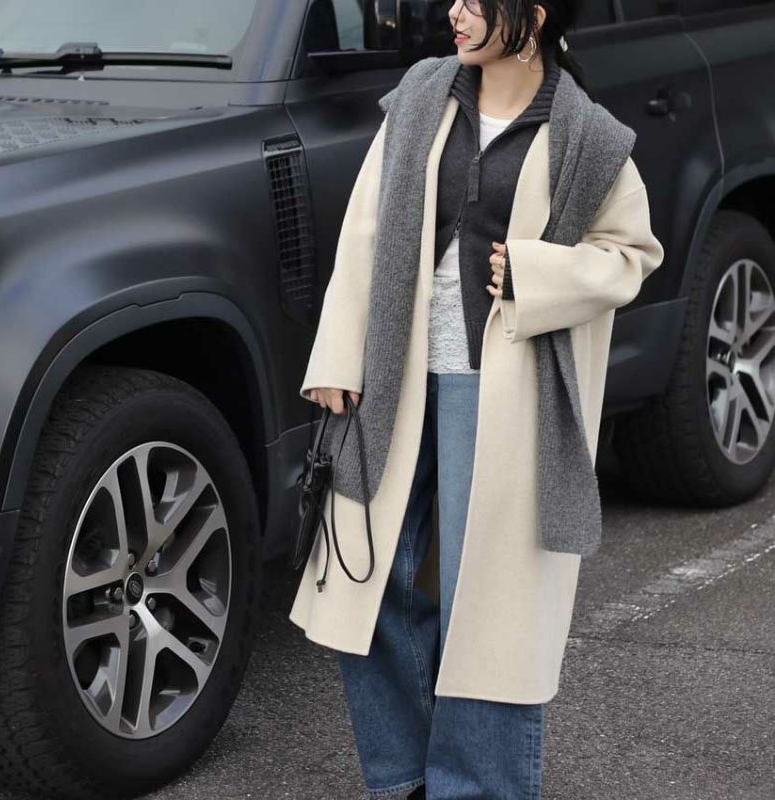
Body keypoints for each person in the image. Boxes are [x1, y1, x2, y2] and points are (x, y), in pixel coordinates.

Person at [295, 1, 665, 797]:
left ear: (530, 15)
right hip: (392, 377)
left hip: (502, 393)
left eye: (473, 2)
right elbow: (365, 229)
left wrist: (537, 274)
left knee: (483, 608)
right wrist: (336, 355)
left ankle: (477, 787)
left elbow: (631, 253)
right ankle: (404, 776)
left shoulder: (586, 135)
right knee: (366, 580)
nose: (453, 14)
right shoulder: (424, 94)